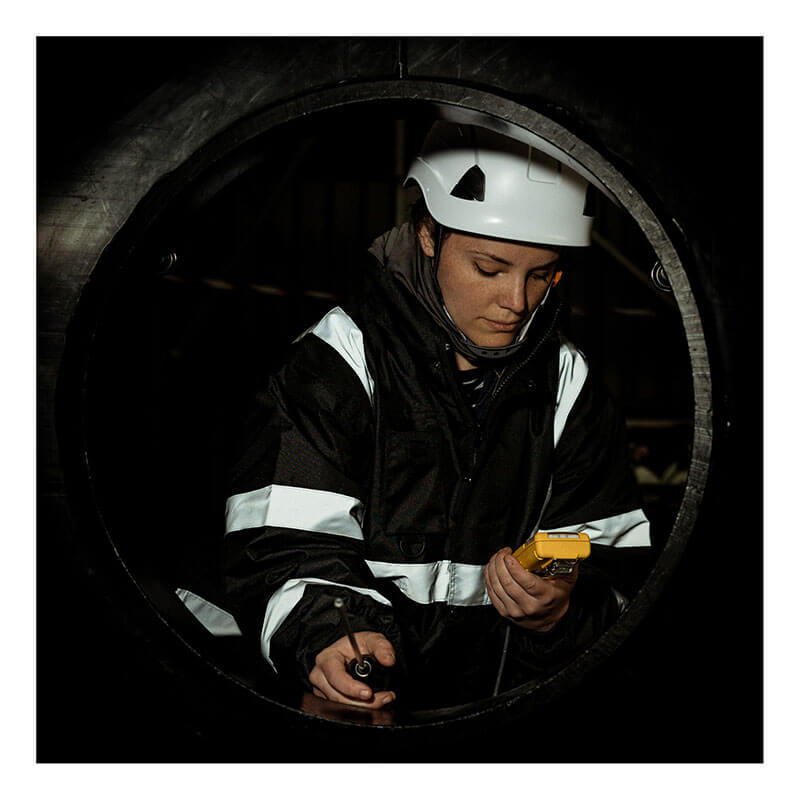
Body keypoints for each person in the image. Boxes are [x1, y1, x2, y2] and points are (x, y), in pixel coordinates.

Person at [222, 121, 650, 712]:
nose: (517, 302)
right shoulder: (336, 363)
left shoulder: (569, 381)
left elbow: (621, 567)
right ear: (427, 233)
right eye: (489, 268)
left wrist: (563, 611)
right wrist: (329, 634)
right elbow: (282, 544)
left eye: (542, 274)